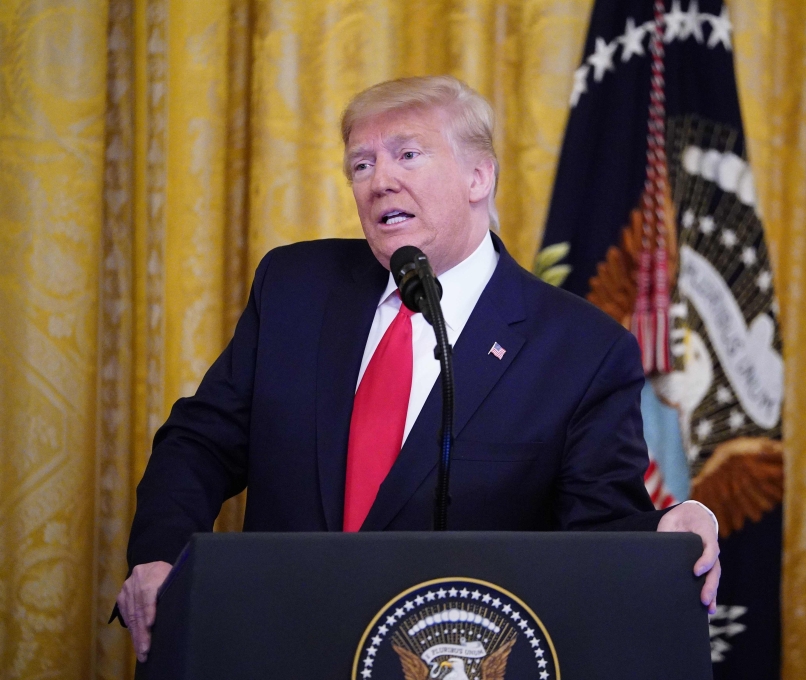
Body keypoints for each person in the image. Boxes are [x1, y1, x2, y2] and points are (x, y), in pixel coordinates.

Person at [115, 75, 721, 663]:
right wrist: (160, 556)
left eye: (407, 154)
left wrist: (671, 529)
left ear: (478, 176)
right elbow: (200, 442)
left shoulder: (582, 348)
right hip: (275, 638)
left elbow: (599, 528)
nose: (380, 181)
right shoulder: (294, 287)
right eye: (362, 164)